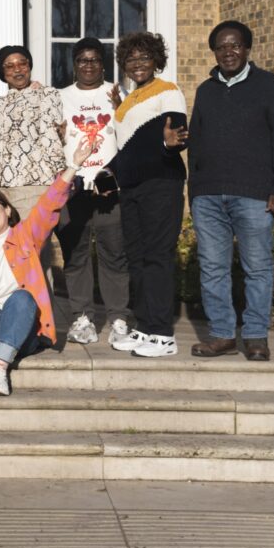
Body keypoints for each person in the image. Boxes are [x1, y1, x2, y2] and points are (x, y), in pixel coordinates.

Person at [189, 20, 274, 362]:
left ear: (247, 48)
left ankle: (255, 337)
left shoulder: (272, 87)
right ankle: (222, 335)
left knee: (258, 268)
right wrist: (195, 191)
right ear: (214, 52)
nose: (228, 52)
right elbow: (196, 144)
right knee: (213, 268)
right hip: (208, 196)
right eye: (221, 47)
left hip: (254, 194)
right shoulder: (206, 91)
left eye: (234, 45)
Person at [0, 137, 93, 395]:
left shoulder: (25, 236)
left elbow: (48, 205)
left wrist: (73, 166)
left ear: (7, 210)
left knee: (22, 298)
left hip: (21, 332)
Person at [108, 33, 188, 359]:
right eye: (131, 59)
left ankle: (163, 335)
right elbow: (130, 148)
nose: (137, 63)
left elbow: (178, 133)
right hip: (131, 189)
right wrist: (107, 174)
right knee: (137, 257)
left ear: (156, 60)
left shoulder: (168, 90)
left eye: (144, 57)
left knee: (157, 256)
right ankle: (144, 327)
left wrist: (169, 144)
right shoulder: (128, 101)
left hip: (161, 183)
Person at [57, 37, 131, 347]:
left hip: (109, 188)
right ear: (74, 64)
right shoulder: (59, 97)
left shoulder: (118, 93)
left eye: (95, 60)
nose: (88, 65)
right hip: (73, 188)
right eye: (82, 60)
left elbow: (131, 138)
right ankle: (82, 318)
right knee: (75, 256)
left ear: (103, 64)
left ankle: (118, 318)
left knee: (114, 255)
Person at [0, 44, 65, 287]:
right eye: (9, 66)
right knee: (5, 255)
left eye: (22, 63)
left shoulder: (47, 95)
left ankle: (41, 309)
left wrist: (59, 182)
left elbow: (52, 140)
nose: (17, 70)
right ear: (2, 72)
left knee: (34, 253)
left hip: (33, 185)